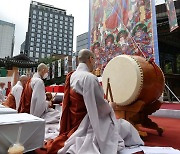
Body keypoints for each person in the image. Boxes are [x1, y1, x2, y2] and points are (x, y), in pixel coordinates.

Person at [43, 49, 144, 154]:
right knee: (125, 126)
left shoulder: (72, 75)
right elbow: (99, 107)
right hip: (86, 123)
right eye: (94, 60)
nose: (94, 63)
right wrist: (110, 106)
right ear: (90, 59)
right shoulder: (89, 78)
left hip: (74, 121)